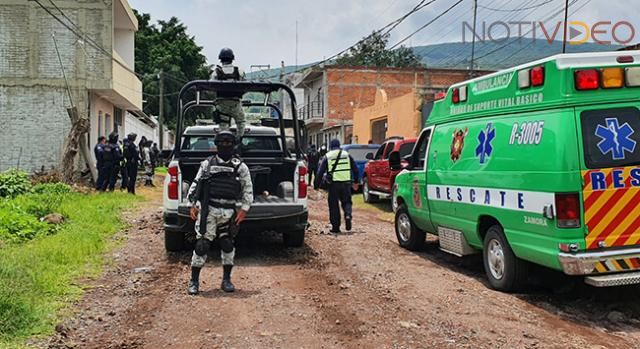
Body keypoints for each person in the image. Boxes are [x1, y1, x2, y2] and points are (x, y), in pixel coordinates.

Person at [186, 131, 253, 295]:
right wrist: (191, 204)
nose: (225, 146)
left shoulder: (240, 166)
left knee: (227, 244)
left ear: (234, 145)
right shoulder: (206, 164)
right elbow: (196, 185)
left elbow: (247, 188)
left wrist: (244, 209)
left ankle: (227, 280)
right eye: (221, 143)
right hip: (208, 211)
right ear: (216, 144)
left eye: (228, 143)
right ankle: (194, 281)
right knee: (201, 245)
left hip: (228, 212)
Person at [314, 139, 359, 233]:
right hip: (346, 183)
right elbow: (355, 168)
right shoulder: (347, 155)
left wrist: (316, 185)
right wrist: (356, 181)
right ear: (339, 145)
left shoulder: (328, 156)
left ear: (330, 146)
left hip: (333, 185)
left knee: (334, 205)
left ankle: (336, 227)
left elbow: (320, 172)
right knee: (347, 202)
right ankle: (348, 215)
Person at [211, 47, 246, 138]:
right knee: (241, 122)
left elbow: (211, 86)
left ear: (221, 59)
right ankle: (238, 140)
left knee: (223, 126)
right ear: (232, 59)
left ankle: (224, 141)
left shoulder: (216, 72)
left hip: (222, 104)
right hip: (236, 104)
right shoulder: (240, 72)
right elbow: (245, 86)